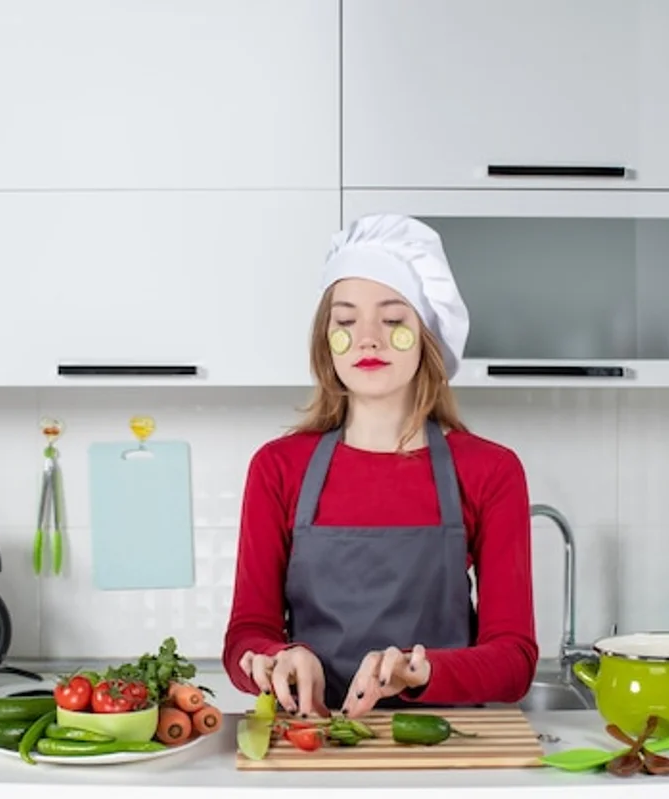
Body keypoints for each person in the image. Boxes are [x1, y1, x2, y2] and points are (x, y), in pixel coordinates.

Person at [222, 213, 538, 719]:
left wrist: (420, 672)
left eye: (393, 320)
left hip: (445, 739)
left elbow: (514, 662)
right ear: (328, 340)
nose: (367, 338)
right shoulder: (277, 468)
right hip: (312, 739)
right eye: (345, 321)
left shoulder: (489, 470)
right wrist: (280, 657)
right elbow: (245, 637)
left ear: (428, 335)